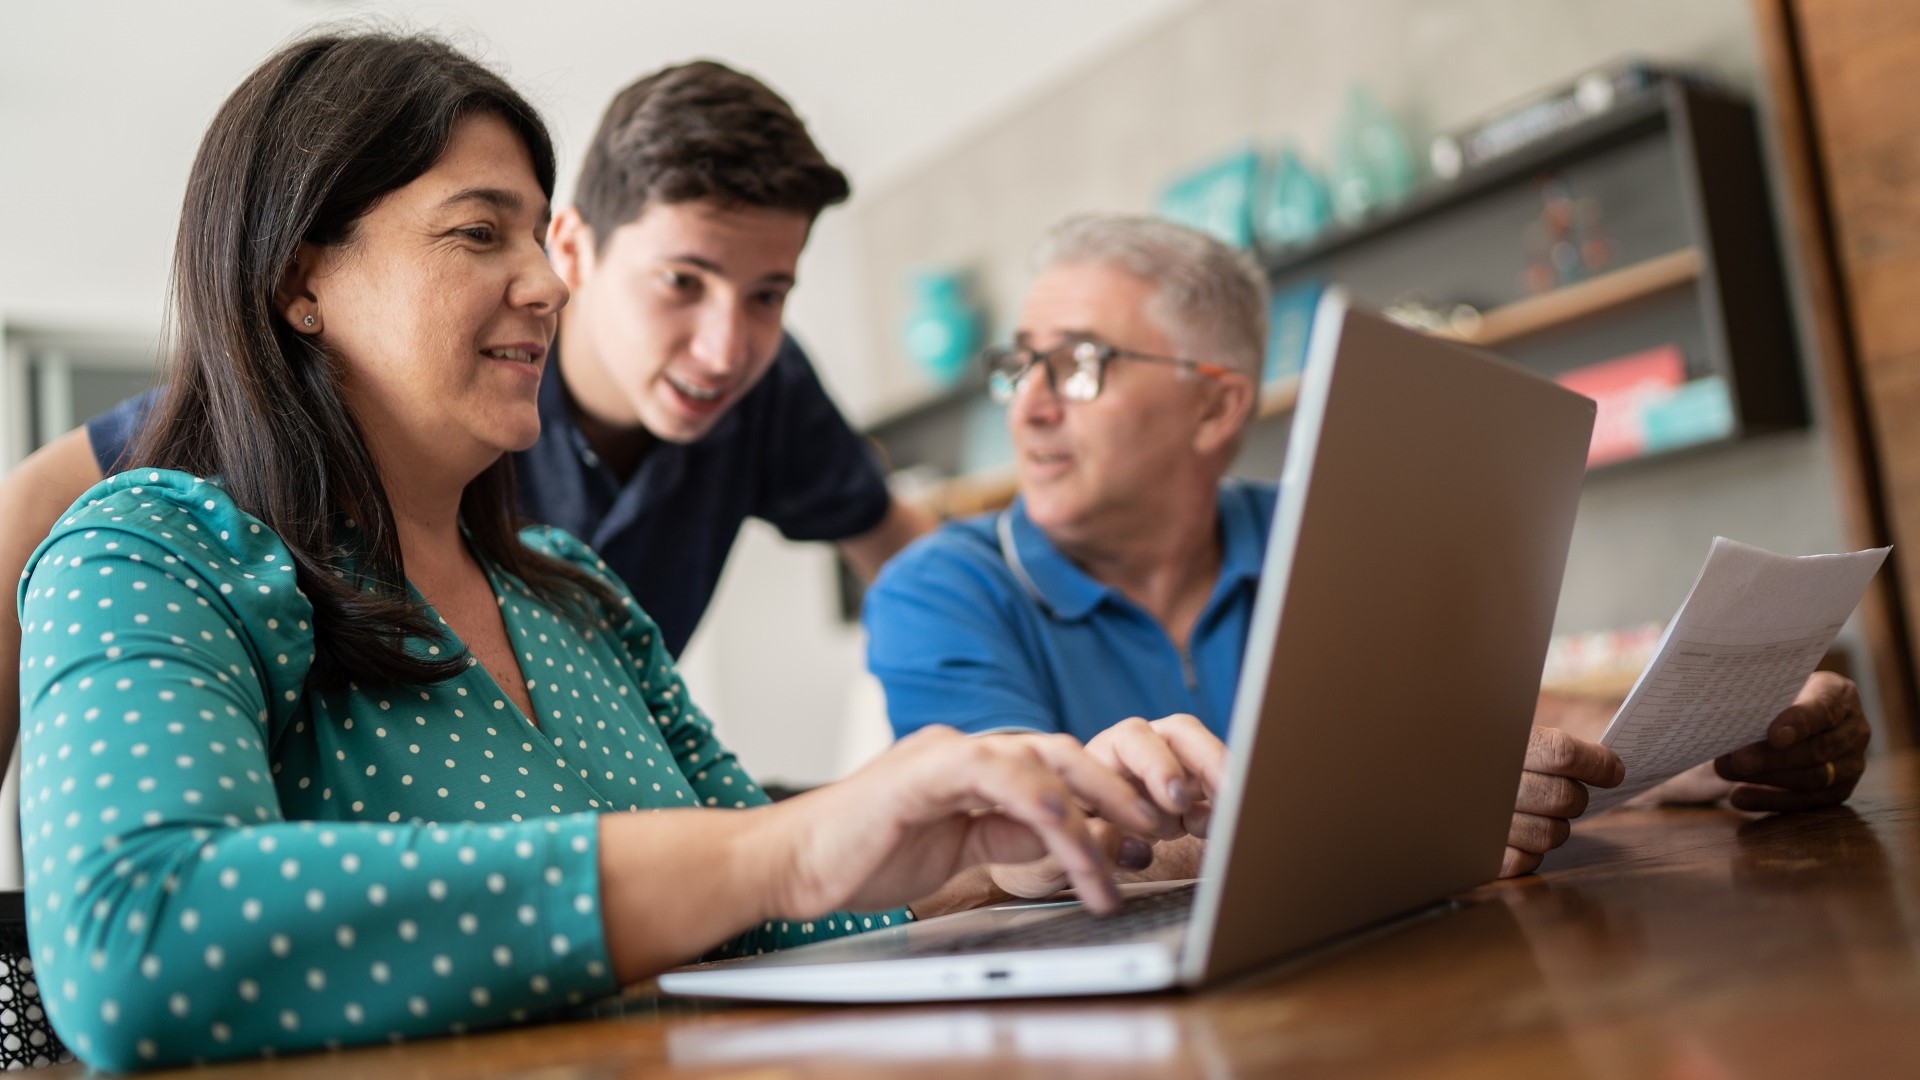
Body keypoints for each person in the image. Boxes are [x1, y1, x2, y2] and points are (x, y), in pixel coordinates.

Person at [15, 35, 1206, 1070]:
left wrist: (1006, 853)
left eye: (539, 237)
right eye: (481, 232)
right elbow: (136, 944)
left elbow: (766, 913)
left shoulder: (578, 595)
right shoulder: (156, 550)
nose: (545, 283)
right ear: (297, 279)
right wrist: (783, 855)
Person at [863, 213, 1874, 879]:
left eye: (1076, 365)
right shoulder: (936, 588)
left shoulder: (1321, 522)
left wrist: (1719, 737)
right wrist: (1406, 811)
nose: (1029, 408)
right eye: (1019, 367)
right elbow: (1001, 856)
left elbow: (1490, 720)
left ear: (1217, 408)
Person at [0, 55, 932, 776]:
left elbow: (904, 553)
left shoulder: (762, 402)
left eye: (769, 295)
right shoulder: (168, 528)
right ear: (578, 247)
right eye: (681, 283)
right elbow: (42, 495)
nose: (726, 348)